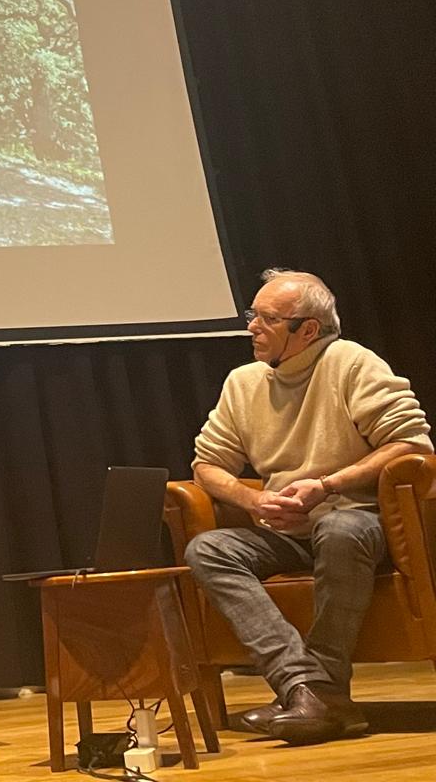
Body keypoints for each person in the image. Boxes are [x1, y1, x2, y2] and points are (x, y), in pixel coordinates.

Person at [186, 268, 432, 744]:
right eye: (252, 315)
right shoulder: (243, 382)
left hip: (360, 522)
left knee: (338, 529)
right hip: (287, 531)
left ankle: (317, 692)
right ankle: (306, 688)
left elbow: (410, 444)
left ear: (308, 330)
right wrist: (254, 498)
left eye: (267, 318)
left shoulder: (350, 362)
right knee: (209, 550)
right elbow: (206, 464)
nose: (252, 327)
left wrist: (326, 484)